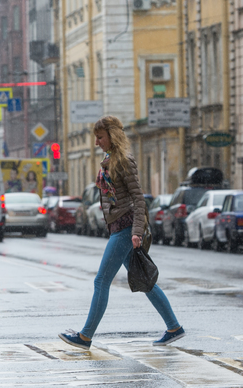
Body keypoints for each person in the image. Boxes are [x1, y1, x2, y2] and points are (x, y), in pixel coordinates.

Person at [58, 115, 184, 349]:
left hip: (125, 228)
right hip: (118, 226)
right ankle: (174, 327)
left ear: (112, 136)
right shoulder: (110, 158)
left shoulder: (124, 161)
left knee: (101, 281)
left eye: (100, 137)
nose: (96, 142)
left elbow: (138, 199)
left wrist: (136, 231)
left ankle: (85, 336)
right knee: (145, 280)